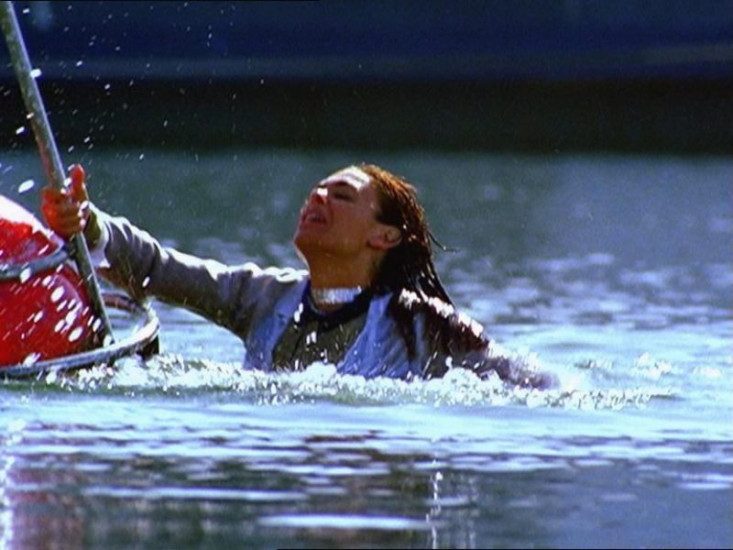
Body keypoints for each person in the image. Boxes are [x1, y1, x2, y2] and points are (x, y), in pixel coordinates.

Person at [42, 163, 555, 388]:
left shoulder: (422, 326)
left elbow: (536, 385)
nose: (317, 197)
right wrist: (88, 222)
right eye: (317, 190)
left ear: (385, 236)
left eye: (342, 195)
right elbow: (157, 268)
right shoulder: (262, 298)